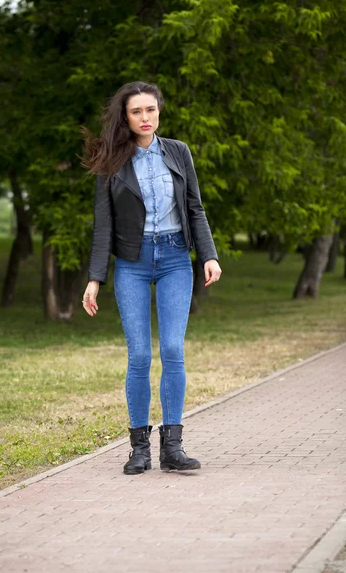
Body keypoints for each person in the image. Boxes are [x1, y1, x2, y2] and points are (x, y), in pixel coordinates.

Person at [81, 81, 222, 475]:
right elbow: (103, 226)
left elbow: (195, 207)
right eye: (136, 112)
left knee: (173, 350)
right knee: (140, 354)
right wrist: (95, 278)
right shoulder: (112, 161)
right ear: (125, 118)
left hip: (177, 257)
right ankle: (139, 448)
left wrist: (208, 255)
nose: (145, 118)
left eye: (151, 110)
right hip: (133, 262)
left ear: (159, 112)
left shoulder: (178, 152)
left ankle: (172, 447)